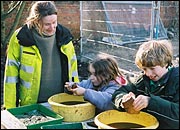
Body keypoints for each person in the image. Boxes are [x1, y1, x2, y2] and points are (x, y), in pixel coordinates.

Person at [3, 1, 79, 109]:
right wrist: (10, 109)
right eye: (47, 24)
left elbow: (73, 71)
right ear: (35, 21)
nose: (52, 27)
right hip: (31, 105)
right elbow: (10, 77)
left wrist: (76, 99)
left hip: (62, 102)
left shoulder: (65, 37)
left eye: (54, 22)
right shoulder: (20, 38)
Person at [112, 40, 179, 129]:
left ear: (166, 63)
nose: (148, 74)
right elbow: (119, 92)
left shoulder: (176, 81)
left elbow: (177, 115)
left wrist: (150, 102)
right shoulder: (142, 80)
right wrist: (123, 100)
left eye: (152, 68)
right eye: (144, 69)